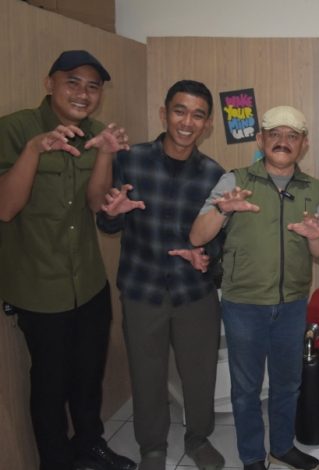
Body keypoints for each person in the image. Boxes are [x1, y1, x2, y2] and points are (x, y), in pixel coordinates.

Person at [0, 50, 136, 470]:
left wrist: (107, 155)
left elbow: (95, 203)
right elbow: (5, 208)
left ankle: (90, 445)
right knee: (50, 384)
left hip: (89, 281)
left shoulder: (96, 132)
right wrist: (34, 150)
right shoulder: (16, 128)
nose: (83, 93)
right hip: (40, 286)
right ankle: (56, 461)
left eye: (93, 87)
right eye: (73, 82)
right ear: (50, 83)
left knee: (88, 375)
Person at [190, 105, 319, 470]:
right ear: (260, 139)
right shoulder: (234, 181)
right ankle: (252, 456)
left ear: (304, 144)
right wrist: (224, 210)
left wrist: (315, 237)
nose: (283, 141)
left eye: (292, 136)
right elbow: (197, 236)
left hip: (292, 304)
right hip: (244, 304)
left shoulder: (313, 188)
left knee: (288, 385)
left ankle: (281, 447)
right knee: (246, 389)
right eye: (275, 134)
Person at [96, 80, 226, 470]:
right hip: (142, 289)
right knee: (146, 373)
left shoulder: (214, 175)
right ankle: (152, 446)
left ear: (207, 124)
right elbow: (108, 221)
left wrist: (206, 257)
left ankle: (198, 438)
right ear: (163, 114)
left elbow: (220, 238)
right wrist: (111, 215)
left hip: (194, 292)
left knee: (199, 374)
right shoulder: (130, 160)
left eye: (198, 115)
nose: (187, 122)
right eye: (179, 111)